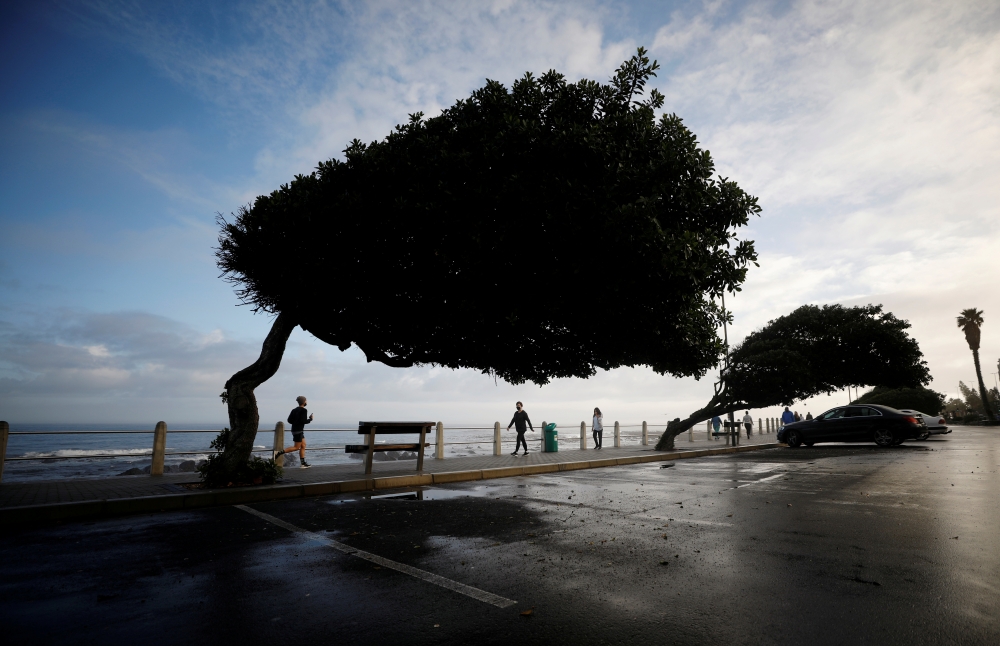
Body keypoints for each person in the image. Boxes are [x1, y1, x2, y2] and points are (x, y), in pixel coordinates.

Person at [275, 395, 313, 468]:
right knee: (296, 447)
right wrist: (310, 419)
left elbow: (289, 420)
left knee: (303, 445)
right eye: (306, 400)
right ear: (304, 402)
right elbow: (304, 421)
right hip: (298, 431)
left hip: (296, 430)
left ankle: (303, 464)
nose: (306, 402)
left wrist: (295, 422)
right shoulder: (304, 410)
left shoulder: (294, 410)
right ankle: (279, 452)